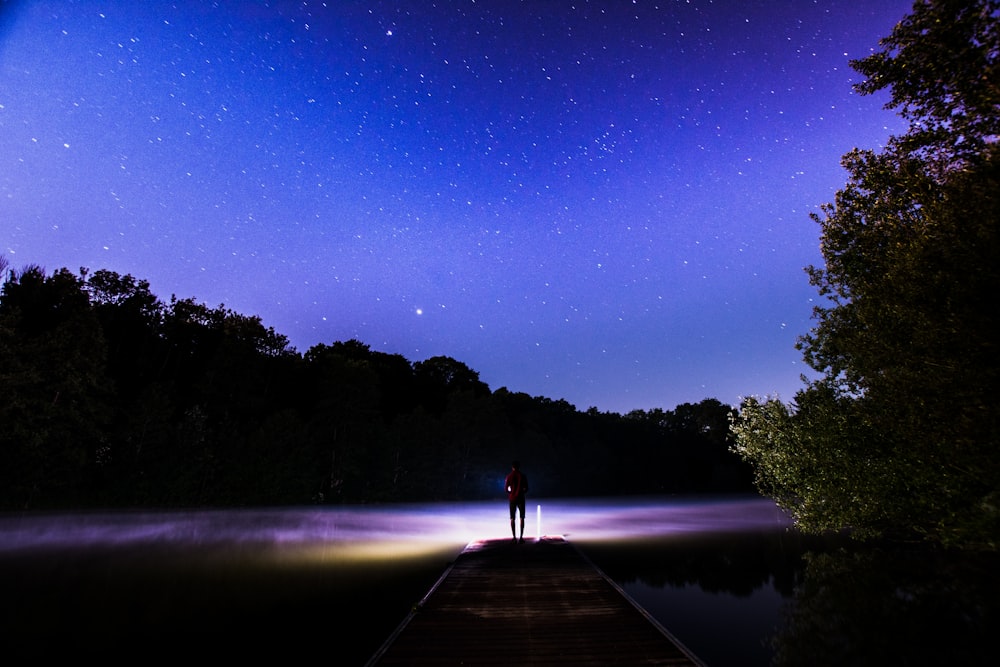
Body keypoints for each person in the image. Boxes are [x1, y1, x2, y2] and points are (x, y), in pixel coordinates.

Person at [505, 460, 529, 543]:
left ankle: (514, 537)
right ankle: (521, 537)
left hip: (512, 499)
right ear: (519, 467)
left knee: (512, 518)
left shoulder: (509, 476)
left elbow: (506, 489)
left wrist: (511, 492)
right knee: (522, 517)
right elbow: (526, 489)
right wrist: (521, 491)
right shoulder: (523, 476)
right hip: (521, 498)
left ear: (512, 467)